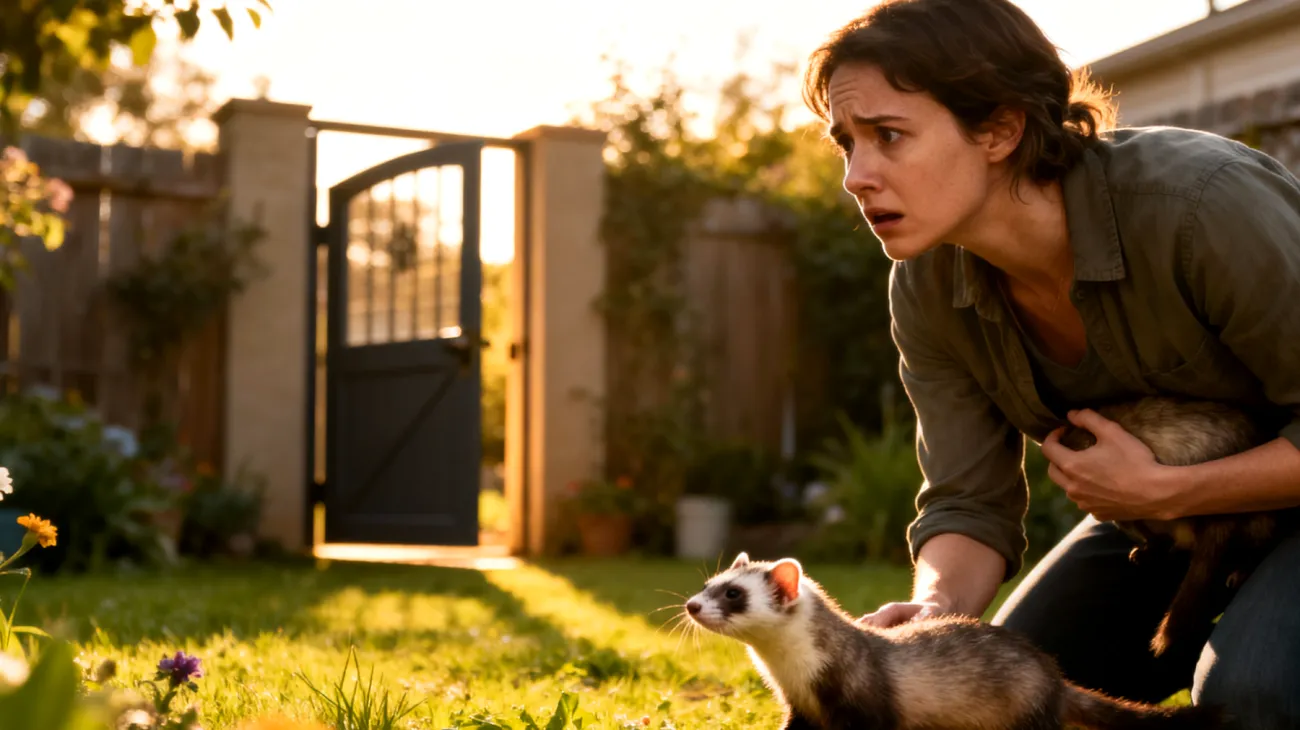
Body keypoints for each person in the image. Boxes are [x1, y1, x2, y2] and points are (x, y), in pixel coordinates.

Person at [799, 0, 1300, 727]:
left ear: (1000, 128)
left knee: (1251, 697)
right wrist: (933, 611)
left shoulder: (1201, 206)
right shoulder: (929, 286)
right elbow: (969, 501)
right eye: (846, 142)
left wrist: (1172, 489)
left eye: (889, 136)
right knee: (999, 697)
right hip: (1157, 531)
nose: (856, 175)